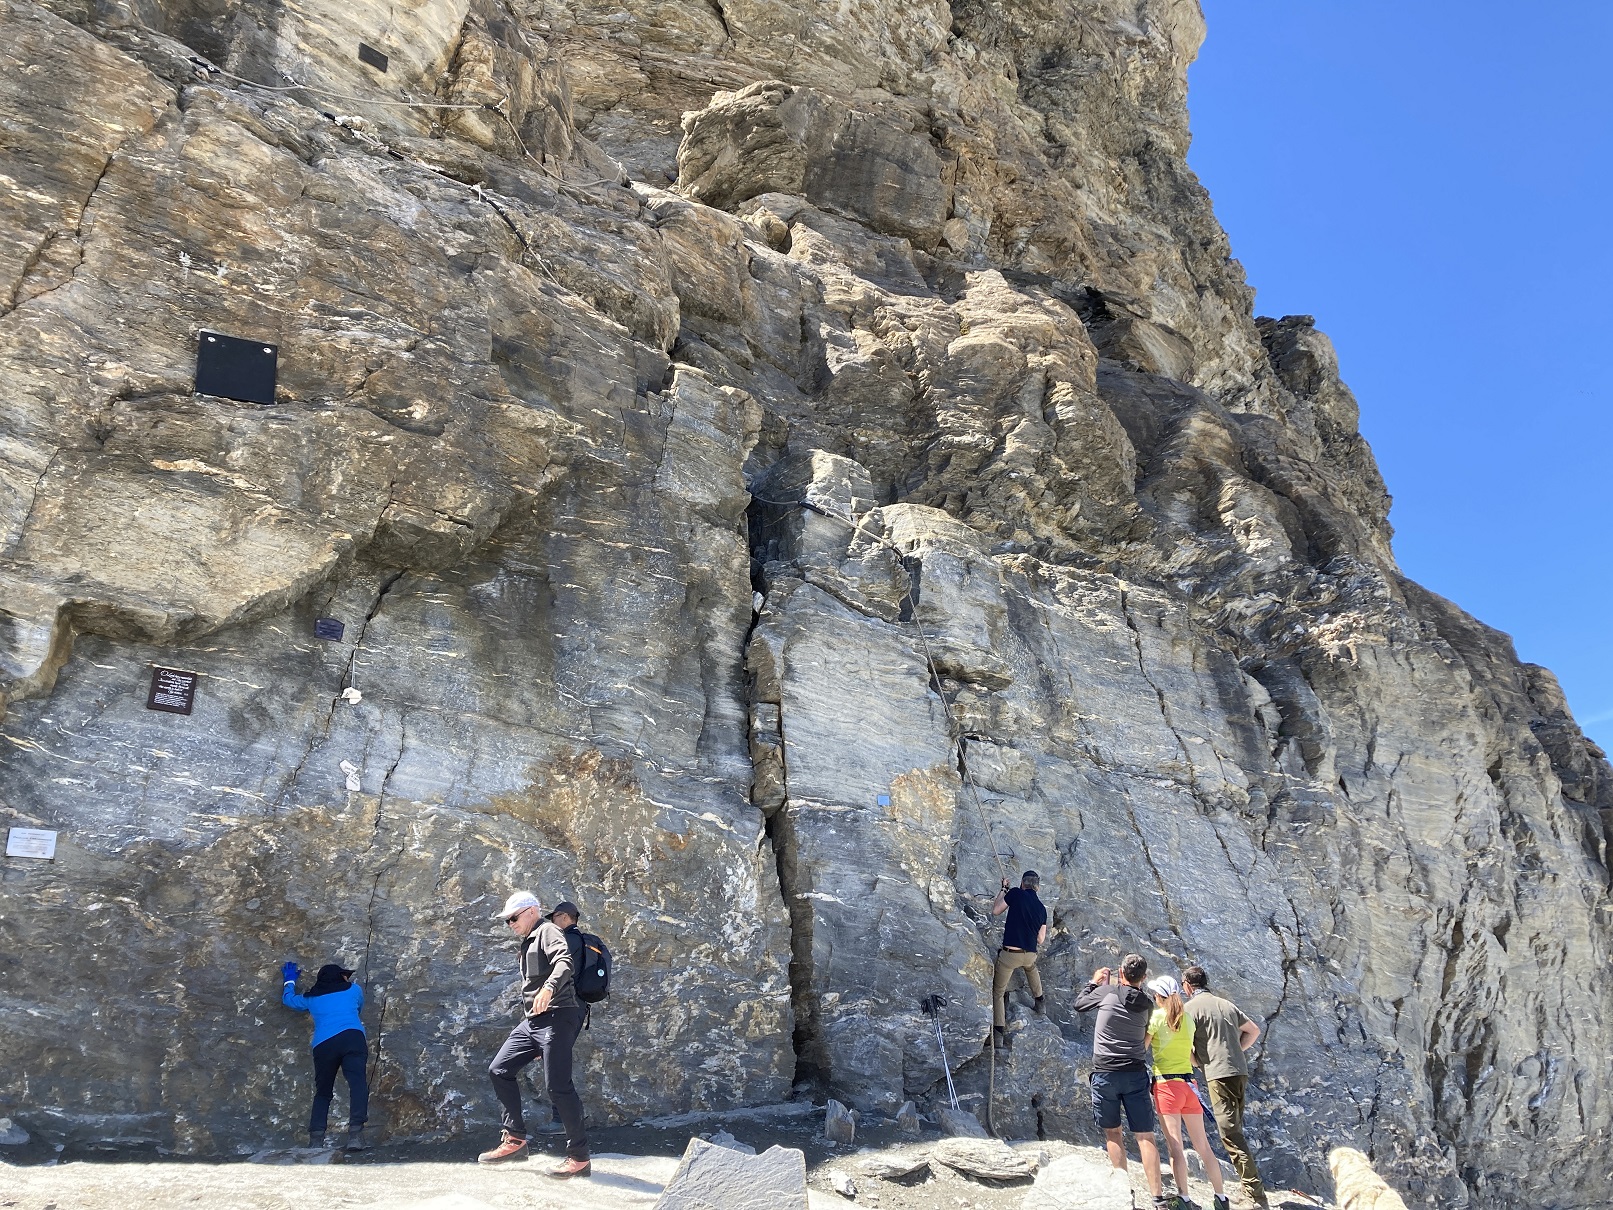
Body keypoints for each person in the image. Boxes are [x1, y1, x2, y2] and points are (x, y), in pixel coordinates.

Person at [480, 890, 591, 1178]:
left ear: (531, 911)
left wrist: (549, 988)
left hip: (558, 1016)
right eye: (506, 921)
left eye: (513, 918)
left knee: (558, 1086)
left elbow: (564, 962)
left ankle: (579, 1158)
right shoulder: (528, 939)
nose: (510, 924)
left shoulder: (548, 930)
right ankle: (515, 1139)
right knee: (499, 1069)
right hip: (533, 1021)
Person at [1074, 954, 1177, 1210]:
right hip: (1135, 1074)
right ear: (1144, 978)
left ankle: (1123, 1195)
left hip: (1106, 1074)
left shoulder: (1107, 992)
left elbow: (1079, 1004)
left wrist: (1094, 982)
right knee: (1145, 1136)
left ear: (1121, 972)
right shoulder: (1147, 1005)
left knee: (1113, 1132)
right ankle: (1157, 1199)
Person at [1182, 965, 1268, 1209]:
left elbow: (1184, 1043)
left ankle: (1257, 1196)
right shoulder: (1225, 1004)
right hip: (1239, 1072)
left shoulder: (1189, 1009)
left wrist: (1198, 1061)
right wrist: (1235, 1052)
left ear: (1188, 985)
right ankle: (1246, 1187)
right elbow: (1253, 1030)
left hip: (1217, 1076)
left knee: (1230, 1134)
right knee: (1236, 1129)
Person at [1147, 974, 1228, 1210]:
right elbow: (1192, 1058)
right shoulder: (1188, 1020)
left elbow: (1142, 1046)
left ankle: (1183, 1199)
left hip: (1166, 1086)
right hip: (1190, 1087)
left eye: (1155, 995)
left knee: (1176, 1147)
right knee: (1203, 1146)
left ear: (1159, 998)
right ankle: (1221, 1198)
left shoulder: (1157, 1018)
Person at [281, 961, 369, 1151]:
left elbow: (289, 1000)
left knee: (323, 1093)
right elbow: (358, 1009)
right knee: (357, 1084)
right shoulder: (354, 990)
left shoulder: (312, 998)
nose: (348, 977)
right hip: (352, 1038)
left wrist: (289, 981)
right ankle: (355, 1135)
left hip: (324, 1045)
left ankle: (316, 1140)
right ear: (341, 977)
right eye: (345, 975)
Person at [990, 870, 1048, 1049]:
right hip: (1029, 954)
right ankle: (1040, 1002)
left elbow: (996, 911)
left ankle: (998, 1033)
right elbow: (1040, 939)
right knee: (1030, 967)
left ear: (1023, 884)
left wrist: (1004, 889)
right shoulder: (1042, 908)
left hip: (1009, 956)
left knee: (998, 992)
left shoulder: (1015, 893)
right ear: (1037, 887)